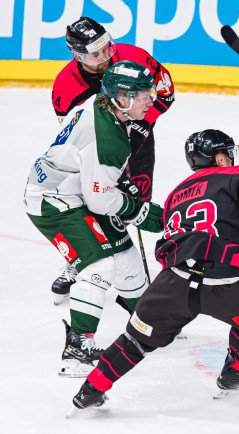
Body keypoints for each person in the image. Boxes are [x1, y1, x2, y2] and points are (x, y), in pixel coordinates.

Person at [69, 129, 239, 411]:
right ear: (219, 158)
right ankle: (234, 376)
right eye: (227, 154)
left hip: (173, 284)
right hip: (225, 284)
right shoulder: (238, 174)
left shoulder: (176, 195)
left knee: (135, 340)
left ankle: (90, 391)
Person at [24, 61, 165, 377]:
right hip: (54, 201)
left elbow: (94, 175)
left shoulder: (99, 105)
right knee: (98, 264)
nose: (151, 99)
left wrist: (116, 185)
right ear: (122, 98)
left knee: (126, 253)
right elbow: (101, 200)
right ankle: (77, 350)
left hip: (75, 190)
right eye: (144, 94)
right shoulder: (109, 137)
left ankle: (144, 319)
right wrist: (142, 211)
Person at [49, 16, 175, 304]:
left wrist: (142, 126)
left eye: (107, 47)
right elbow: (71, 132)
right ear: (77, 55)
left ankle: (131, 278)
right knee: (90, 202)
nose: (106, 55)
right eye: (97, 53)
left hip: (138, 143)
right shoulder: (65, 85)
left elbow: (165, 93)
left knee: (133, 203)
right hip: (95, 150)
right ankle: (82, 257)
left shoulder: (133, 57)